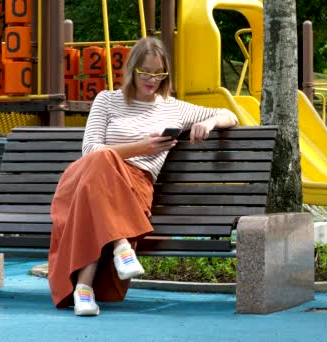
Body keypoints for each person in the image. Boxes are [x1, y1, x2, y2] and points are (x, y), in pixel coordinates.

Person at [47, 37, 239, 316]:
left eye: (158, 74)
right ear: (131, 70)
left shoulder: (172, 107)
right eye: (145, 73)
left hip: (133, 187)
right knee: (100, 162)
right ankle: (121, 245)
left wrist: (207, 122)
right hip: (91, 177)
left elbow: (229, 114)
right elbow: (89, 150)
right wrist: (141, 147)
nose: (152, 80)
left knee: (92, 200)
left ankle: (84, 289)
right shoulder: (107, 100)